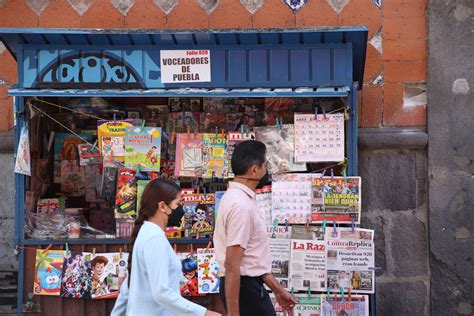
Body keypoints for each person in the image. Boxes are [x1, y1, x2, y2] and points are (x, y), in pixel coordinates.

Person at [111, 179, 221, 316]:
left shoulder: (146, 233)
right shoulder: (154, 238)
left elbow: (128, 289)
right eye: (177, 204)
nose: (181, 210)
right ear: (162, 206)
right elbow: (161, 292)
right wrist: (204, 313)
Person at [214, 140, 297, 316]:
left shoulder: (239, 198)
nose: (267, 170)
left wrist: (277, 289)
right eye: (265, 165)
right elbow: (232, 264)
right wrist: (234, 313)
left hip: (248, 286)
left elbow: (251, 259)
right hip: (244, 289)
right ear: (254, 169)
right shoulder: (240, 205)